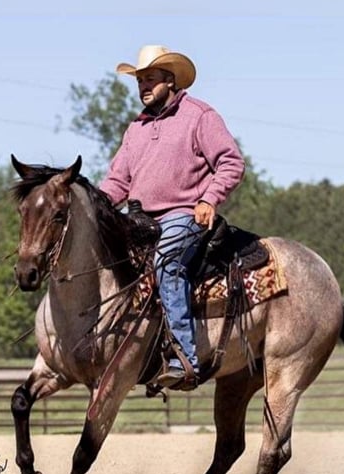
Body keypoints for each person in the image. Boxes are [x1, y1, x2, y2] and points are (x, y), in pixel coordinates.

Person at [99, 44, 245, 388]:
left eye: (150, 79)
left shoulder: (199, 116)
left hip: (183, 215)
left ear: (171, 80)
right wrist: (95, 208)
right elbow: (118, 180)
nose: (144, 87)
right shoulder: (136, 128)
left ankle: (184, 358)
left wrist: (209, 198)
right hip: (138, 220)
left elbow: (230, 162)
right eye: (139, 81)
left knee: (167, 262)